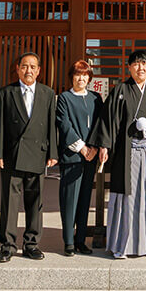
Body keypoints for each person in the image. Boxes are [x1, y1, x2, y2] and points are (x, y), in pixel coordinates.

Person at [92, 49, 146, 258]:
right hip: (126, 153)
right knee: (127, 197)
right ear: (129, 67)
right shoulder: (120, 90)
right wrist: (104, 145)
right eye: (136, 64)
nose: (140, 68)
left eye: (144, 64)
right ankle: (122, 245)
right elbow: (109, 121)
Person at [0, 51, 58, 262]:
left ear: (39, 71)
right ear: (18, 69)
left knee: (35, 201)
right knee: (9, 202)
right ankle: (7, 245)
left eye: (32, 67)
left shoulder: (48, 93)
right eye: (24, 66)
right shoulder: (5, 93)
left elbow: (51, 125)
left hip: (37, 154)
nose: (28, 70)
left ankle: (31, 244)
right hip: (12, 155)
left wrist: (52, 153)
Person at [55, 59, 104, 256]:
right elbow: (64, 125)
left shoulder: (96, 98)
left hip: (90, 157)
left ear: (89, 77)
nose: (81, 78)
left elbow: (100, 124)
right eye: (78, 74)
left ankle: (81, 239)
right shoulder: (64, 98)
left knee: (85, 199)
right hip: (72, 156)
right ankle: (68, 241)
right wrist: (83, 148)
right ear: (72, 77)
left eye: (85, 75)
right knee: (69, 199)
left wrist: (94, 147)